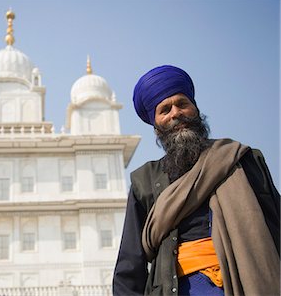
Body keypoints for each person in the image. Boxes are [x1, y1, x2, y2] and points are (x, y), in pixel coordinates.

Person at [112, 65, 280, 296]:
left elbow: (275, 226)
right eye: (165, 109)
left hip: (249, 282)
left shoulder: (240, 159)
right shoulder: (145, 180)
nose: (175, 113)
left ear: (196, 109)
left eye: (182, 104)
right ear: (156, 124)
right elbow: (130, 265)